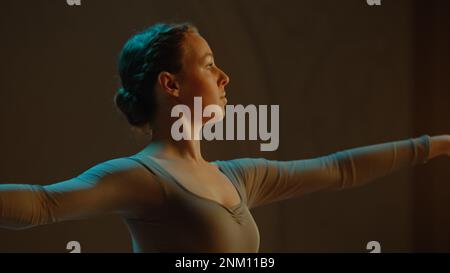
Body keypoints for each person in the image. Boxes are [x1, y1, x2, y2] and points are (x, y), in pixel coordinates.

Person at [1, 22, 449, 253]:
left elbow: (338, 169)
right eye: (209, 62)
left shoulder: (239, 178)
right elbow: (44, 204)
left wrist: (440, 144)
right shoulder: (142, 178)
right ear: (170, 85)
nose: (224, 76)